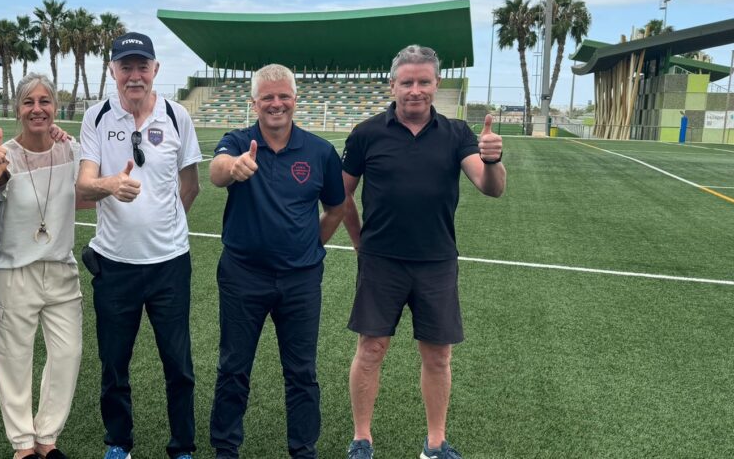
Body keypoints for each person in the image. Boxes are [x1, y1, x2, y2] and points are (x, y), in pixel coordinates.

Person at [341, 45, 506, 459]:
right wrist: (360, 241)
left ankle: (435, 443)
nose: (415, 90)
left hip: (436, 262)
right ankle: (362, 439)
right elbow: (341, 196)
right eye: (407, 82)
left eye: (424, 82)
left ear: (436, 85)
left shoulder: (457, 134)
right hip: (381, 262)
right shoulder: (366, 134)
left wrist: (494, 159)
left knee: (438, 355)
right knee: (371, 349)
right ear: (393, 85)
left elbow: (491, 187)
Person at [208, 64, 347, 458]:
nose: (276, 103)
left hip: (300, 282)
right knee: (233, 367)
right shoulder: (237, 141)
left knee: (302, 372)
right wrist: (234, 167)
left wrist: (308, 247)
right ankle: (225, 448)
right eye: (267, 97)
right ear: (254, 103)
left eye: (283, 95)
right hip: (242, 276)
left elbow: (336, 208)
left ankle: (303, 449)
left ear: (295, 100)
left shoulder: (320, 151)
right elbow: (217, 172)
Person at [76, 32, 202, 459]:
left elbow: (190, 186)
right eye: (125, 67)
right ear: (112, 71)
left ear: (155, 71)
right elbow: (84, 185)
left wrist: (164, 228)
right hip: (114, 265)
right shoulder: (96, 117)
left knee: (178, 364)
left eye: (141, 66)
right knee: (114, 363)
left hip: (170, 264)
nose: (134, 75)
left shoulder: (176, 115)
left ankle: (182, 445)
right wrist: (110, 185)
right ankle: (118, 442)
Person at [0, 73, 89, 459]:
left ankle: (47, 438)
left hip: (61, 270)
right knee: (13, 358)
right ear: (17, 109)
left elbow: (87, 193)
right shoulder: (5, 156)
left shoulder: (72, 150)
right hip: (14, 272)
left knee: (68, 354)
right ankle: (23, 445)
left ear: (55, 107)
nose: (37, 109)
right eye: (29, 102)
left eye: (45, 101)